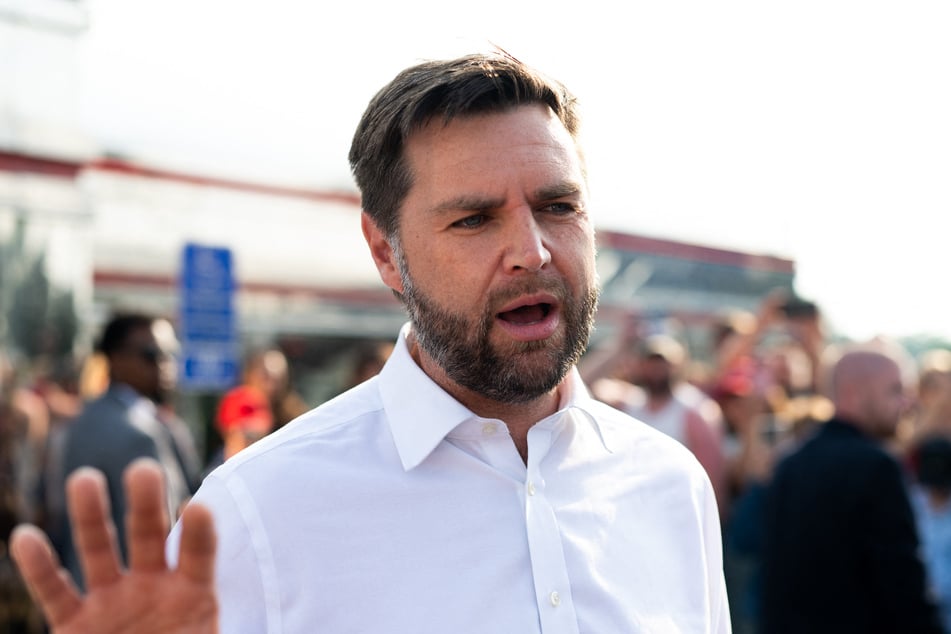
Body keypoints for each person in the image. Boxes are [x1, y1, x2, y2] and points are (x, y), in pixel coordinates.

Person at [10, 51, 729, 632]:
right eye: (474, 219)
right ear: (386, 254)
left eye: (558, 205)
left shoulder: (669, 487)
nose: (532, 251)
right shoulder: (259, 514)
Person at [759, 344, 943, 634]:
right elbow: (901, 581)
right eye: (895, 390)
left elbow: (772, 581)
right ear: (855, 392)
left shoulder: (791, 462)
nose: (906, 403)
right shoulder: (876, 467)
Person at [55, 313, 197, 588]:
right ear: (116, 359)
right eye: (152, 354)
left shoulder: (82, 421)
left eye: (172, 353)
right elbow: (167, 532)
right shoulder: (141, 434)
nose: (166, 364)